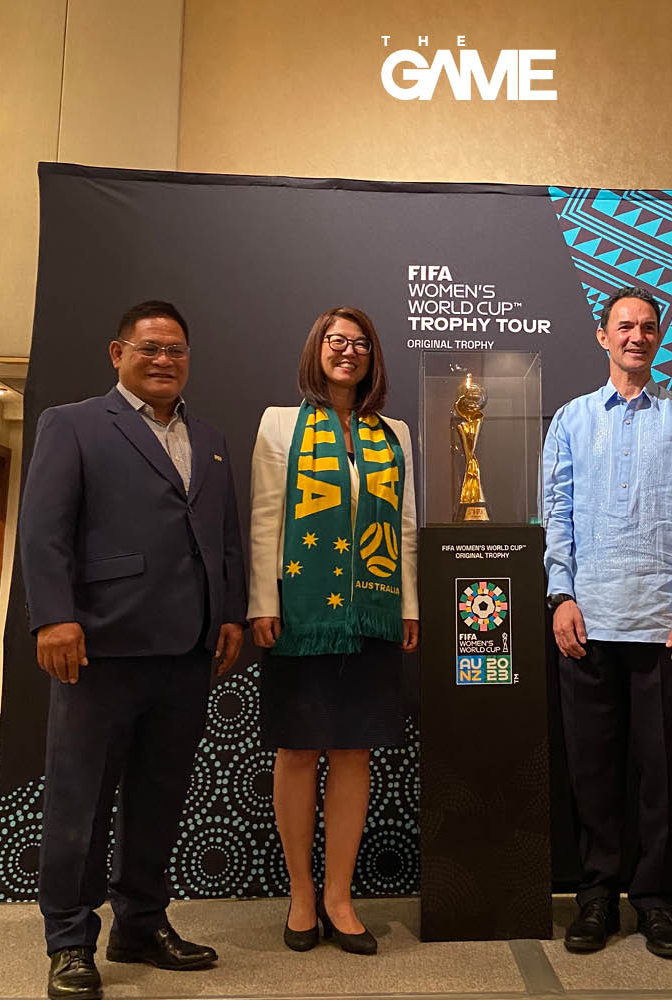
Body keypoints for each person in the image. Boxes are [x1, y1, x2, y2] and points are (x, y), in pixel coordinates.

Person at [19, 301, 247, 1000]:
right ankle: (69, 940)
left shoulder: (207, 437)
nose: (163, 360)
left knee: (159, 797)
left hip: (187, 651)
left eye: (175, 350)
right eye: (149, 348)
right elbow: (44, 529)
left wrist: (230, 614)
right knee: (80, 802)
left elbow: (225, 536)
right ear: (118, 353)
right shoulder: (75, 423)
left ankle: (141, 924)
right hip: (100, 648)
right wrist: (54, 617)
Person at [543, 286, 672, 957]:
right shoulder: (568, 419)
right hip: (586, 622)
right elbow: (555, 513)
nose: (637, 337)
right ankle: (596, 897)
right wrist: (560, 595)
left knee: (662, 771)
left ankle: (654, 901)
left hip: (663, 625)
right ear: (602, 335)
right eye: (625, 326)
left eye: (648, 327)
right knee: (591, 770)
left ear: (658, 338)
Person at [248, 306, 418, 956]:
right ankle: (299, 893)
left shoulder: (392, 431)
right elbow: (267, 515)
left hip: (372, 613)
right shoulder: (279, 425)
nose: (347, 352)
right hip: (301, 614)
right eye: (336, 341)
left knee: (353, 753)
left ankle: (339, 897)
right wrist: (264, 599)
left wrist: (408, 606)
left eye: (360, 344)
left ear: (373, 357)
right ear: (317, 349)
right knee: (297, 750)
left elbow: (402, 525)